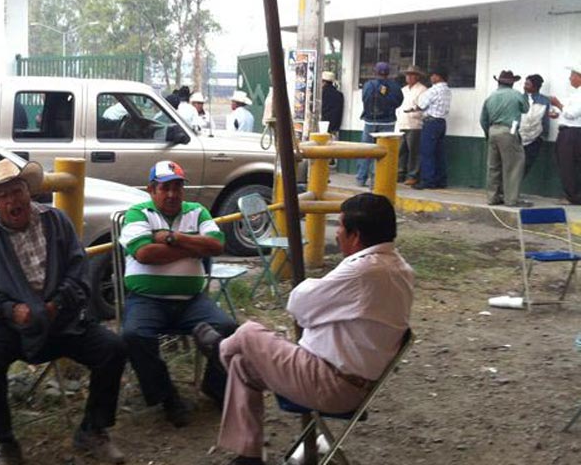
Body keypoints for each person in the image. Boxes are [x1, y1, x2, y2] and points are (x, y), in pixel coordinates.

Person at [194, 193, 414, 465]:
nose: (337, 235)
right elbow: (328, 310)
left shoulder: (363, 271)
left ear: (355, 236)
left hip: (332, 384)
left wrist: (318, 302)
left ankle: (218, 351)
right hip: (349, 379)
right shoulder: (401, 268)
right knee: (241, 362)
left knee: (248, 333)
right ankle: (249, 455)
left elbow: (297, 303)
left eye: (341, 227)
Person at [0, 159, 127, 465]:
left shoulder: (57, 221)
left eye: (17, 191)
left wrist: (58, 303)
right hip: (15, 326)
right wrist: (10, 310)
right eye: (3, 195)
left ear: (29, 192)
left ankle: (93, 429)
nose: (12, 200)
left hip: (62, 320)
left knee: (113, 348)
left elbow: (79, 272)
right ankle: (5, 441)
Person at [118, 160, 237, 427]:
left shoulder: (197, 211)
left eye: (177, 187)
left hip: (191, 302)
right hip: (146, 300)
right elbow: (144, 253)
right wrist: (196, 246)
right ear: (152, 189)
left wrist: (173, 238)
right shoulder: (139, 213)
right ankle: (167, 397)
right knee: (134, 335)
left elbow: (217, 245)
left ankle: (214, 387)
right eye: (165, 188)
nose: (172, 194)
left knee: (227, 327)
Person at [480, 70, 530, 207]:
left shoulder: (491, 96)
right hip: (509, 131)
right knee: (513, 166)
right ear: (512, 83)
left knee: (493, 166)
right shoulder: (516, 95)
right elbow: (526, 109)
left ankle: (492, 198)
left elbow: (483, 119)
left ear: (499, 82)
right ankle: (511, 199)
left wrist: (488, 133)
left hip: (492, 131)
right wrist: (525, 94)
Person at [355, 62, 402, 187]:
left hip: (370, 121)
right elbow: (398, 102)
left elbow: (364, 99)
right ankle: (376, 181)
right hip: (388, 122)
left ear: (375, 72)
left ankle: (361, 178)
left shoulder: (369, 85)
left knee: (366, 150)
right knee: (383, 152)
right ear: (388, 73)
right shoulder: (395, 86)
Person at [414, 68, 452, 190]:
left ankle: (428, 181)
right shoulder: (447, 90)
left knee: (427, 153)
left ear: (438, 77)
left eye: (432, 75)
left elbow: (421, 105)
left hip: (431, 123)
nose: (431, 78)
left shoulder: (433, 90)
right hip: (441, 122)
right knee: (439, 153)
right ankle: (441, 180)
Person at [551, 64, 581, 204]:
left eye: (572, 76)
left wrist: (557, 104)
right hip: (569, 132)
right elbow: (566, 113)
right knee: (566, 164)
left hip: (572, 133)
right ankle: (572, 194)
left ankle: (572, 197)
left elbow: (571, 114)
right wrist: (557, 114)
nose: (570, 79)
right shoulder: (575, 94)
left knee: (568, 165)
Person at [396, 68, 428, 186]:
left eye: (412, 75)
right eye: (407, 75)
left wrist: (412, 113)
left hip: (414, 125)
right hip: (402, 123)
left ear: (417, 77)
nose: (408, 77)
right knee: (401, 151)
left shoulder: (422, 90)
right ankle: (400, 173)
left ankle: (413, 175)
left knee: (414, 152)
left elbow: (422, 108)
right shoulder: (403, 90)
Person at [520, 74, 555, 177]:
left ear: (535, 87)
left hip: (535, 139)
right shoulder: (519, 98)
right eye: (525, 83)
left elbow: (545, 119)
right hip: (517, 137)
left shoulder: (544, 101)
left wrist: (542, 137)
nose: (524, 86)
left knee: (526, 166)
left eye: (528, 84)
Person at [320, 71, 343, 136]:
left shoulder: (321, 94)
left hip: (322, 126)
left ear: (323, 82)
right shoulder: (339, 95)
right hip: (334, 127)